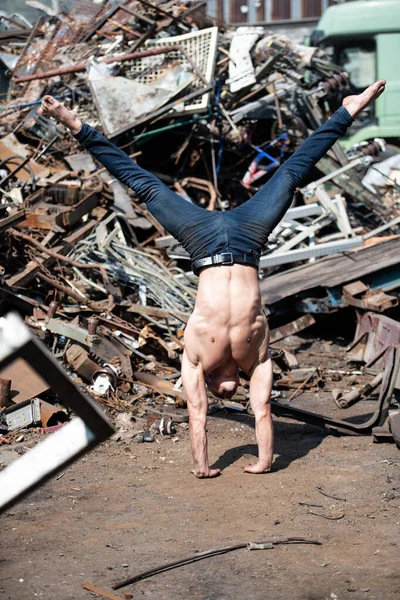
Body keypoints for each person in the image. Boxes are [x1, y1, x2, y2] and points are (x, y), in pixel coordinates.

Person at [40, 80, 385, 478]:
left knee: (143, 184)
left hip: (200, 240)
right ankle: (347, 111)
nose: (227, 393)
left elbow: (197, 413)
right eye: (232, 392)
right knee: (291, 174)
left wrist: (202, 466)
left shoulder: (195, 358)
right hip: (248, 237)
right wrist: (265, 460)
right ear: (237, 379)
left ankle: (74, 122)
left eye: (222, 392)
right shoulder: (255, 360)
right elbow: (262, 410)